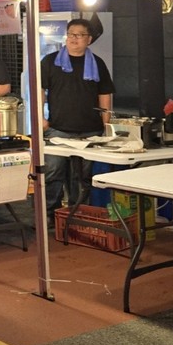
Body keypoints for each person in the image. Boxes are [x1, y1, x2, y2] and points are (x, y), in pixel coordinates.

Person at [40, 18, 115, 221]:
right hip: (58, 129)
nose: (74, 39)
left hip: (90, 131)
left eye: (80, 35)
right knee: (53, 172)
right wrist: (41, 118)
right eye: (71, 34)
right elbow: (40, 90)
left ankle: (77, 215)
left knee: (82, 177)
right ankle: (50, 215)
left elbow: (105, 94)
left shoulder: (97, 63)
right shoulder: (50, 61)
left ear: (88, 39)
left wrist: (106, 123)